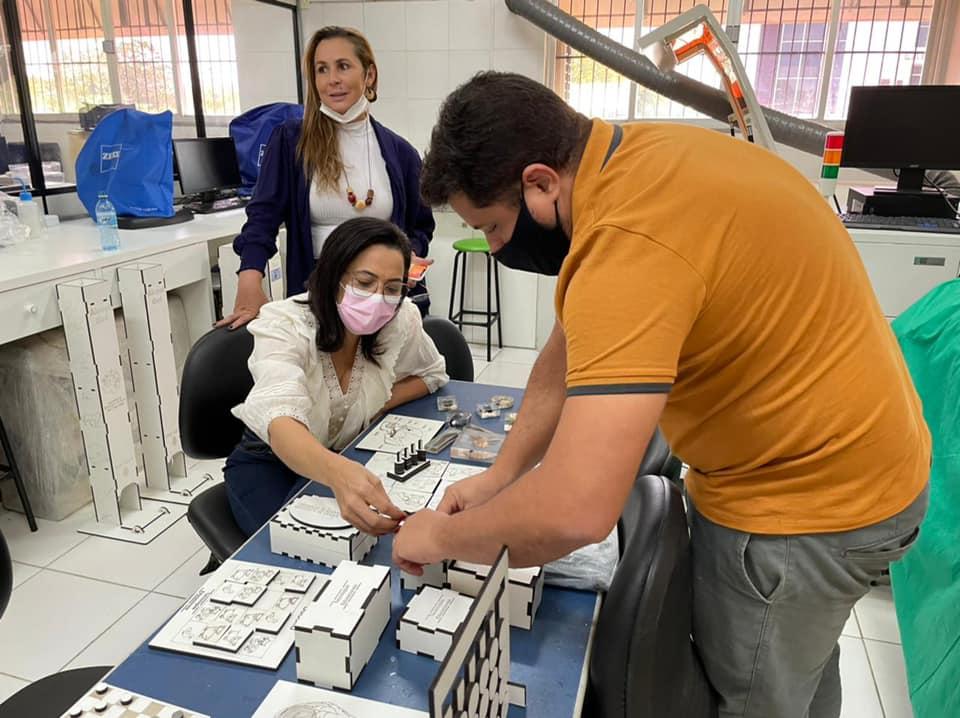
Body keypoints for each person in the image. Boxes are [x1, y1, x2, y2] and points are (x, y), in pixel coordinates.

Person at [393, 72, 930, 718]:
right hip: (865, 463)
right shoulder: (637, 161)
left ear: (539, 183)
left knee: (758, 696)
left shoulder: (629, 237)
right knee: (800, 663)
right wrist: (503, 475)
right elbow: (567, 352)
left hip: (805, 506)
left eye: (495, 227)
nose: (498, 247)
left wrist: (444, 539)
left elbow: (576, 510)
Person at [225, 217, 448, 537]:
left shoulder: (400, 318)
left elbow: (431, 374)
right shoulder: (284, 323)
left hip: (344, 451)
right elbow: (280, 418)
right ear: (333, 276)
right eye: (365, 281)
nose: (378, 298)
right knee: (308, 548)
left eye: (392, 288)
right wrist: (337, 471)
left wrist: (376, 404)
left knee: (377, 541)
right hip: (270, 462)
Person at [219, 26, 435, 330]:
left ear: (369, 75)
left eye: (343, 66)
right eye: (321, 69)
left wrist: (408, 257)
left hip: (380, 299)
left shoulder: (400, 153)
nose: (332, 79)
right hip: (317, 293)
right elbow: (262, 217)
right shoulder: (291, 142)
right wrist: (250, 277)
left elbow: (420, 226)